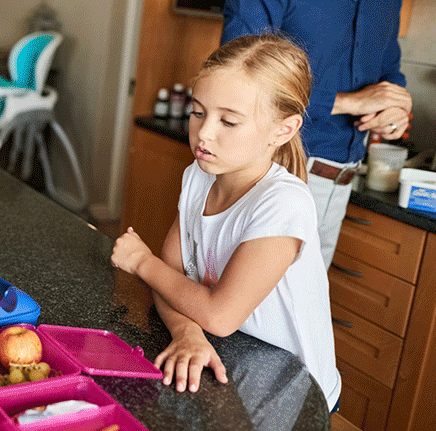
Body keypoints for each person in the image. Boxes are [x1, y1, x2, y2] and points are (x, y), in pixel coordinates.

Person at [111, 35, 341, 411]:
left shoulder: (283, 203)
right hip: (229, 365)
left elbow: (219, 315)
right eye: (198, 112)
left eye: (228, 121)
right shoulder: (198, 177)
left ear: (283, 130)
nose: (204, 133)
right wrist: (187, 333)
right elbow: (171, 280)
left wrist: (140, 262)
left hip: (294, 394)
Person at [220, 0, 412, 269]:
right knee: (237, 316)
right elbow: (236, 83)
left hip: (340, 182)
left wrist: (394, 108)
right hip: (273, 176)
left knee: (288, 323)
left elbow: (389, 74)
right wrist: (349, 102)